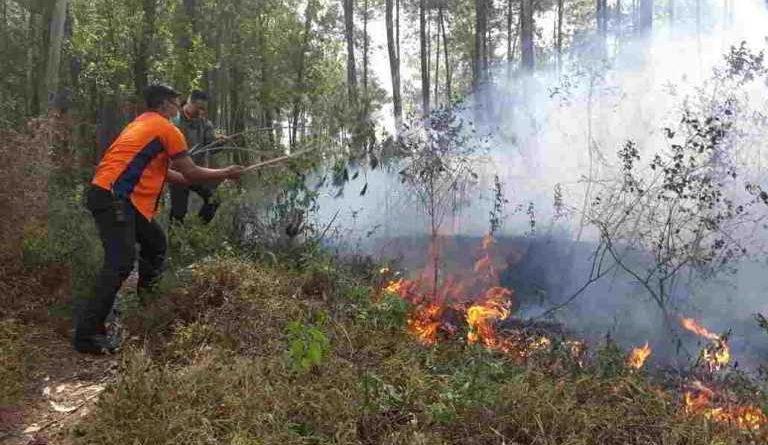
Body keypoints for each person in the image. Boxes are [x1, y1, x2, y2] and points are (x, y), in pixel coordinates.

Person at [74, 84, 243, 354]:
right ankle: (87, 334)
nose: (179, 109)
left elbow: (170, 175)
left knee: (156, 243)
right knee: (120, 263)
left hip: (115, 196)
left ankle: (147, 303)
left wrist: (204, 177)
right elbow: (192, 171)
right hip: (115, 197)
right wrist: (226, 172)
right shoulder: (166, 129)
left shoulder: (140, 125)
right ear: (164, 105)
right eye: (176, 104)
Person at [169, 90, 226, 224]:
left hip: (197, 171)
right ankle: (176, 241)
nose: (201, 112)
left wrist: (220, 143)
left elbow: (211, 149)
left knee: (214, 199)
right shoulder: (173, 120)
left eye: (204, 109)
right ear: (189, 103)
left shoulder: (205, 123)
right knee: (178, 213)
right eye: (199, 108)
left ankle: (197, 230)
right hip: (178, 173)